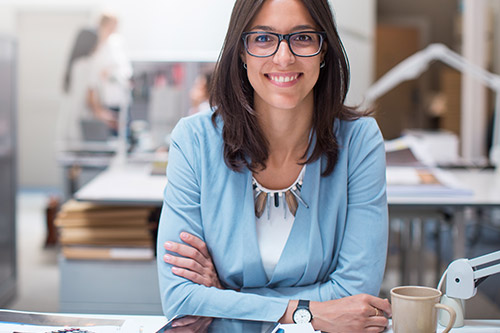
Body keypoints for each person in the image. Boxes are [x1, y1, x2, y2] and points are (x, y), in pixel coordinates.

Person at [157, 0, 391, 331]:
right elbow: (181, 300)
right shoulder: (194, 141)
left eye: (303, 38)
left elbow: (354, 296)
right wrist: (307, 314)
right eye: (263, 39)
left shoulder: (359, 141)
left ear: (324, 50)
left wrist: (225, 298)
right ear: (241, 51)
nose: (284, 57)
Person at [87, 13, 132, 136]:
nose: (113, 29)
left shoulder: (117, 44)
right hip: (106, 103)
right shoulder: (97, 50)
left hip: (121, 101)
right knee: (110, 138)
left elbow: (125, 71)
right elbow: (91, 85)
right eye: (110, 26)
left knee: (123, 136)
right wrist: (98, 110)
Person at [58, 28, 98, 145]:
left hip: (67, 121)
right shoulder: (87, 65)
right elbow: (90, 99)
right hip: (80, 124)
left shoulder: (74, 63)